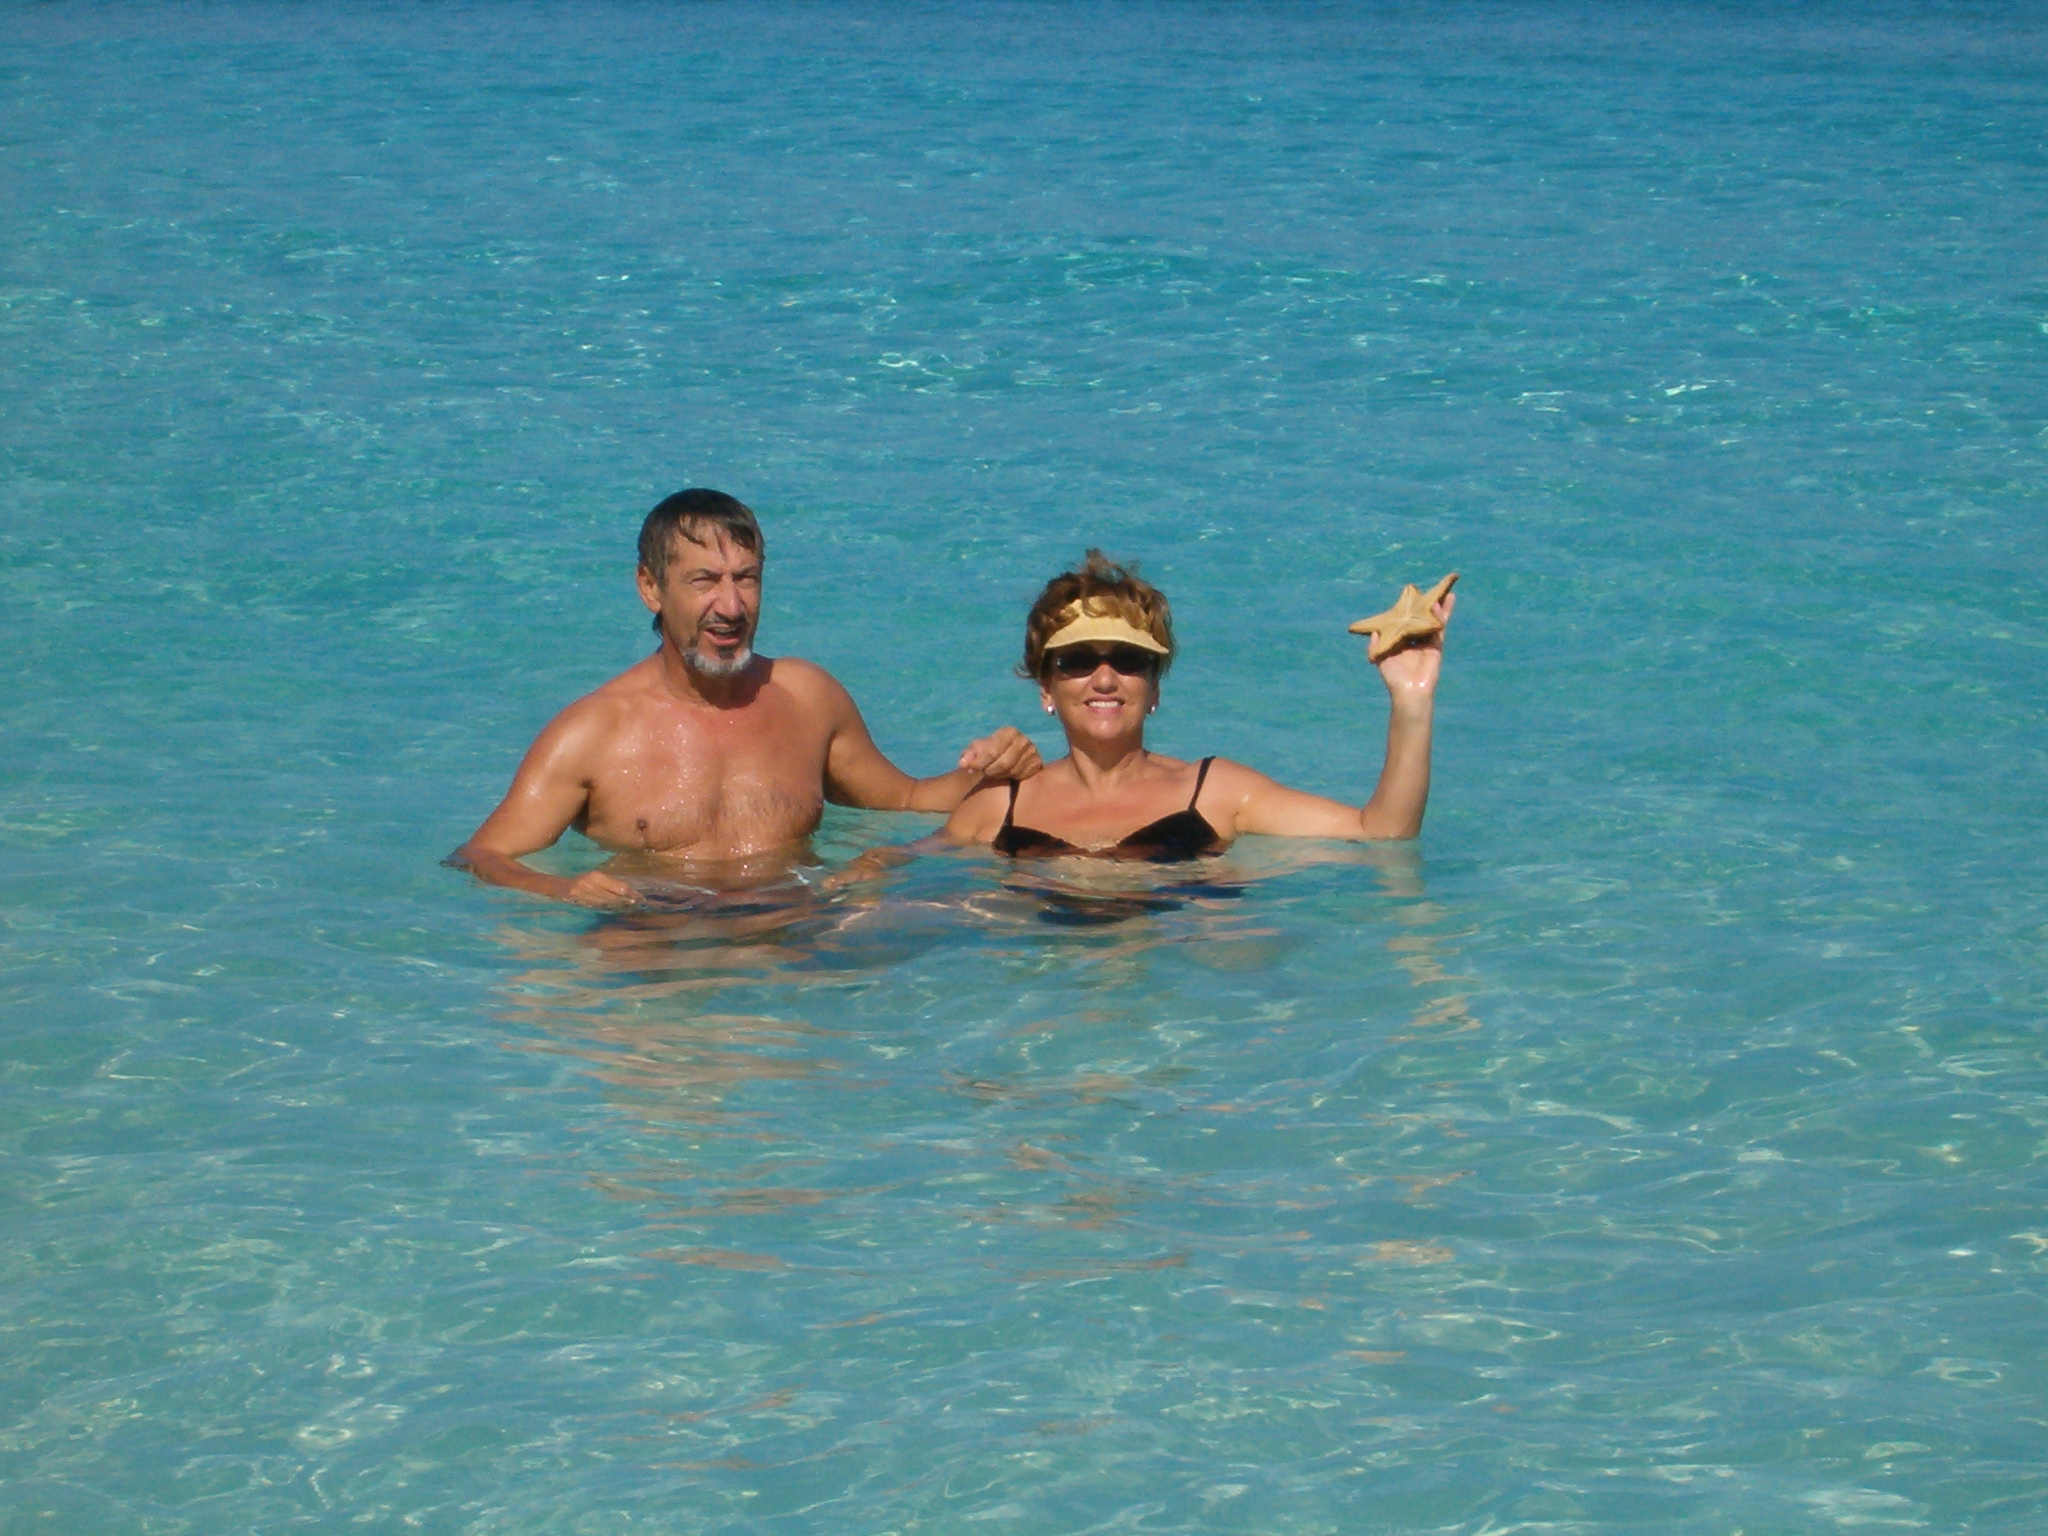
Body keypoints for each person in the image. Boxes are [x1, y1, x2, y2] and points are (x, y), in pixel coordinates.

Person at [452, 489, 1041, 905]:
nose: (731, 606)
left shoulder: (807, 697)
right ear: (650, 588)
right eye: (704, 581)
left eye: (747, 578)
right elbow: (481, 856)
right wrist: (562, 888)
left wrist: (997, 774)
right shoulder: (593, 733)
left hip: (793, 931)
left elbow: (910, 798)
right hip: (656, 952)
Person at [942, 550, 1451, 858]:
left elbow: (1382, 833)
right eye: (1077, 660)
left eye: (1129, 659)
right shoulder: (996, 807)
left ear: (1155, 687)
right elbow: (909, 877)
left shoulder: (1214, 791)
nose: (1105, 678)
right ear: (1046, 687)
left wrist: (1412, 699)